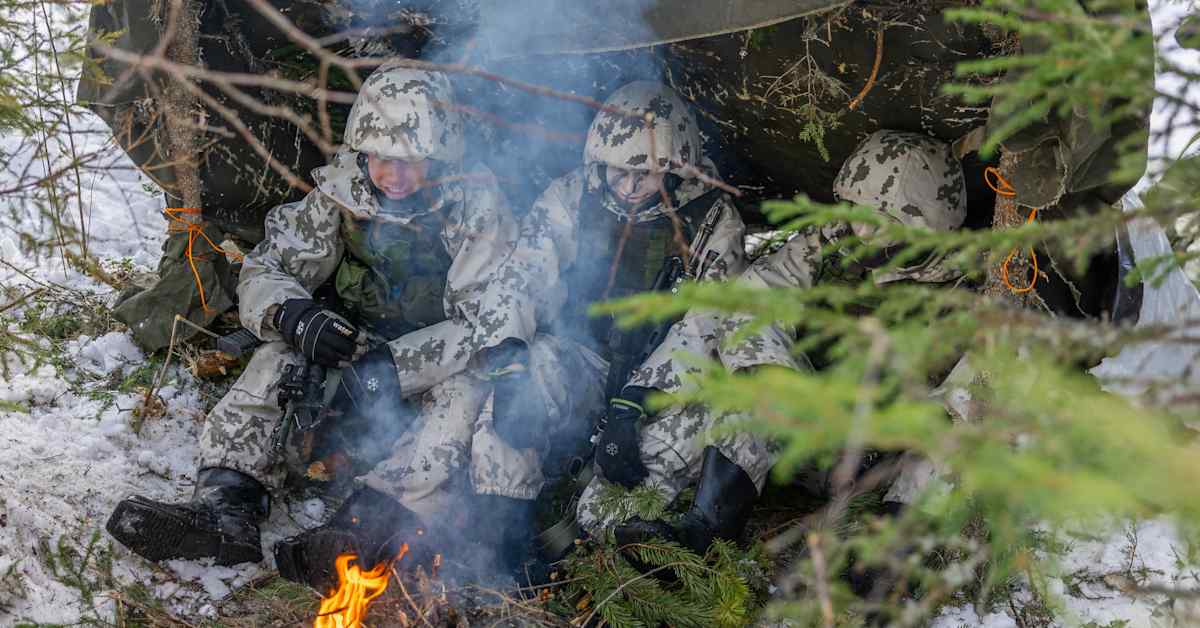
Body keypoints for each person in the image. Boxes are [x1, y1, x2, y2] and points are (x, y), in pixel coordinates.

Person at [105, 64, 601, 591]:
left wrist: (394, 367)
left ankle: (364, 529)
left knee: (466, 392)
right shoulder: (341, 194)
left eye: (408, 161)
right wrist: (295, 316)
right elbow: (266, 269)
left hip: (430, 371)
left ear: (438, 155)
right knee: (277, 356)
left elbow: (490, 321)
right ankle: (226, 507)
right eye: (379, 158)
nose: (391, 174)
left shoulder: (477, 210)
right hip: (353, 359)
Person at [582, 129, 970, 555]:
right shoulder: (829, 244)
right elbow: (750, 296)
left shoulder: (964, 294)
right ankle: (629, 531)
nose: (859, 227)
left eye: (879, 221)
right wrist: (643, 395)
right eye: (855, 209)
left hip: (870, 462)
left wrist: (902, 523)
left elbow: (961, 417)